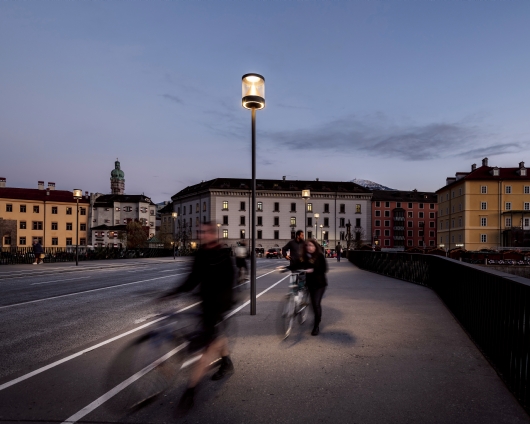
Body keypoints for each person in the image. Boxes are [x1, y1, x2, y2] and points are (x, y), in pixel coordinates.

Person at [161, 222, 235, 409]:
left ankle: (190, 391)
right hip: (205, 303)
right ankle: (226, 362)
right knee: (217, 338)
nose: (200, 235)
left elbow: (229, 285)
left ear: (213, 234)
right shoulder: (200, 254)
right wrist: (173, 293)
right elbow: (191, 279)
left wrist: (220, 306)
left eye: (203, 232)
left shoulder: (224, 256)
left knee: (207, 347)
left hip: (219, 305)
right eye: (199, 231)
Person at [303, 239, 328, 336]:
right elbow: (297, 264)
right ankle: (317, 318)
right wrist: (286, 268)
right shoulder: (305, 256)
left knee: (316, 304)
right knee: (313, 304)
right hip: (310, 284)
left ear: (315, 247)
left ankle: (316, 325)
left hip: (320, 284)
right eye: (308, 245)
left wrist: (313, 270)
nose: (309, 247)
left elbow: (325, 269)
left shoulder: (320, 256)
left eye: (311, 245)